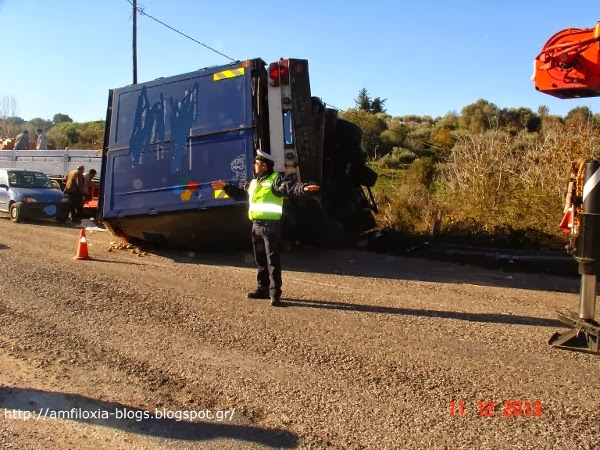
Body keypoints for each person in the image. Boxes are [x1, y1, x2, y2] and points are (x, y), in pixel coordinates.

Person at [211, 150, 320, 306]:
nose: (254, 167)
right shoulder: (255, 182)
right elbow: (243, 196)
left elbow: (289, 187)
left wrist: (303, 188)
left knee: (272, 261)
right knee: (261, 260)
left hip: (270, 226)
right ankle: (262, 290)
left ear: (263, 165)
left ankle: (275, 294)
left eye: (256, 164)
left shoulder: (275, 180)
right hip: (256, 225)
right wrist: (226, 187)